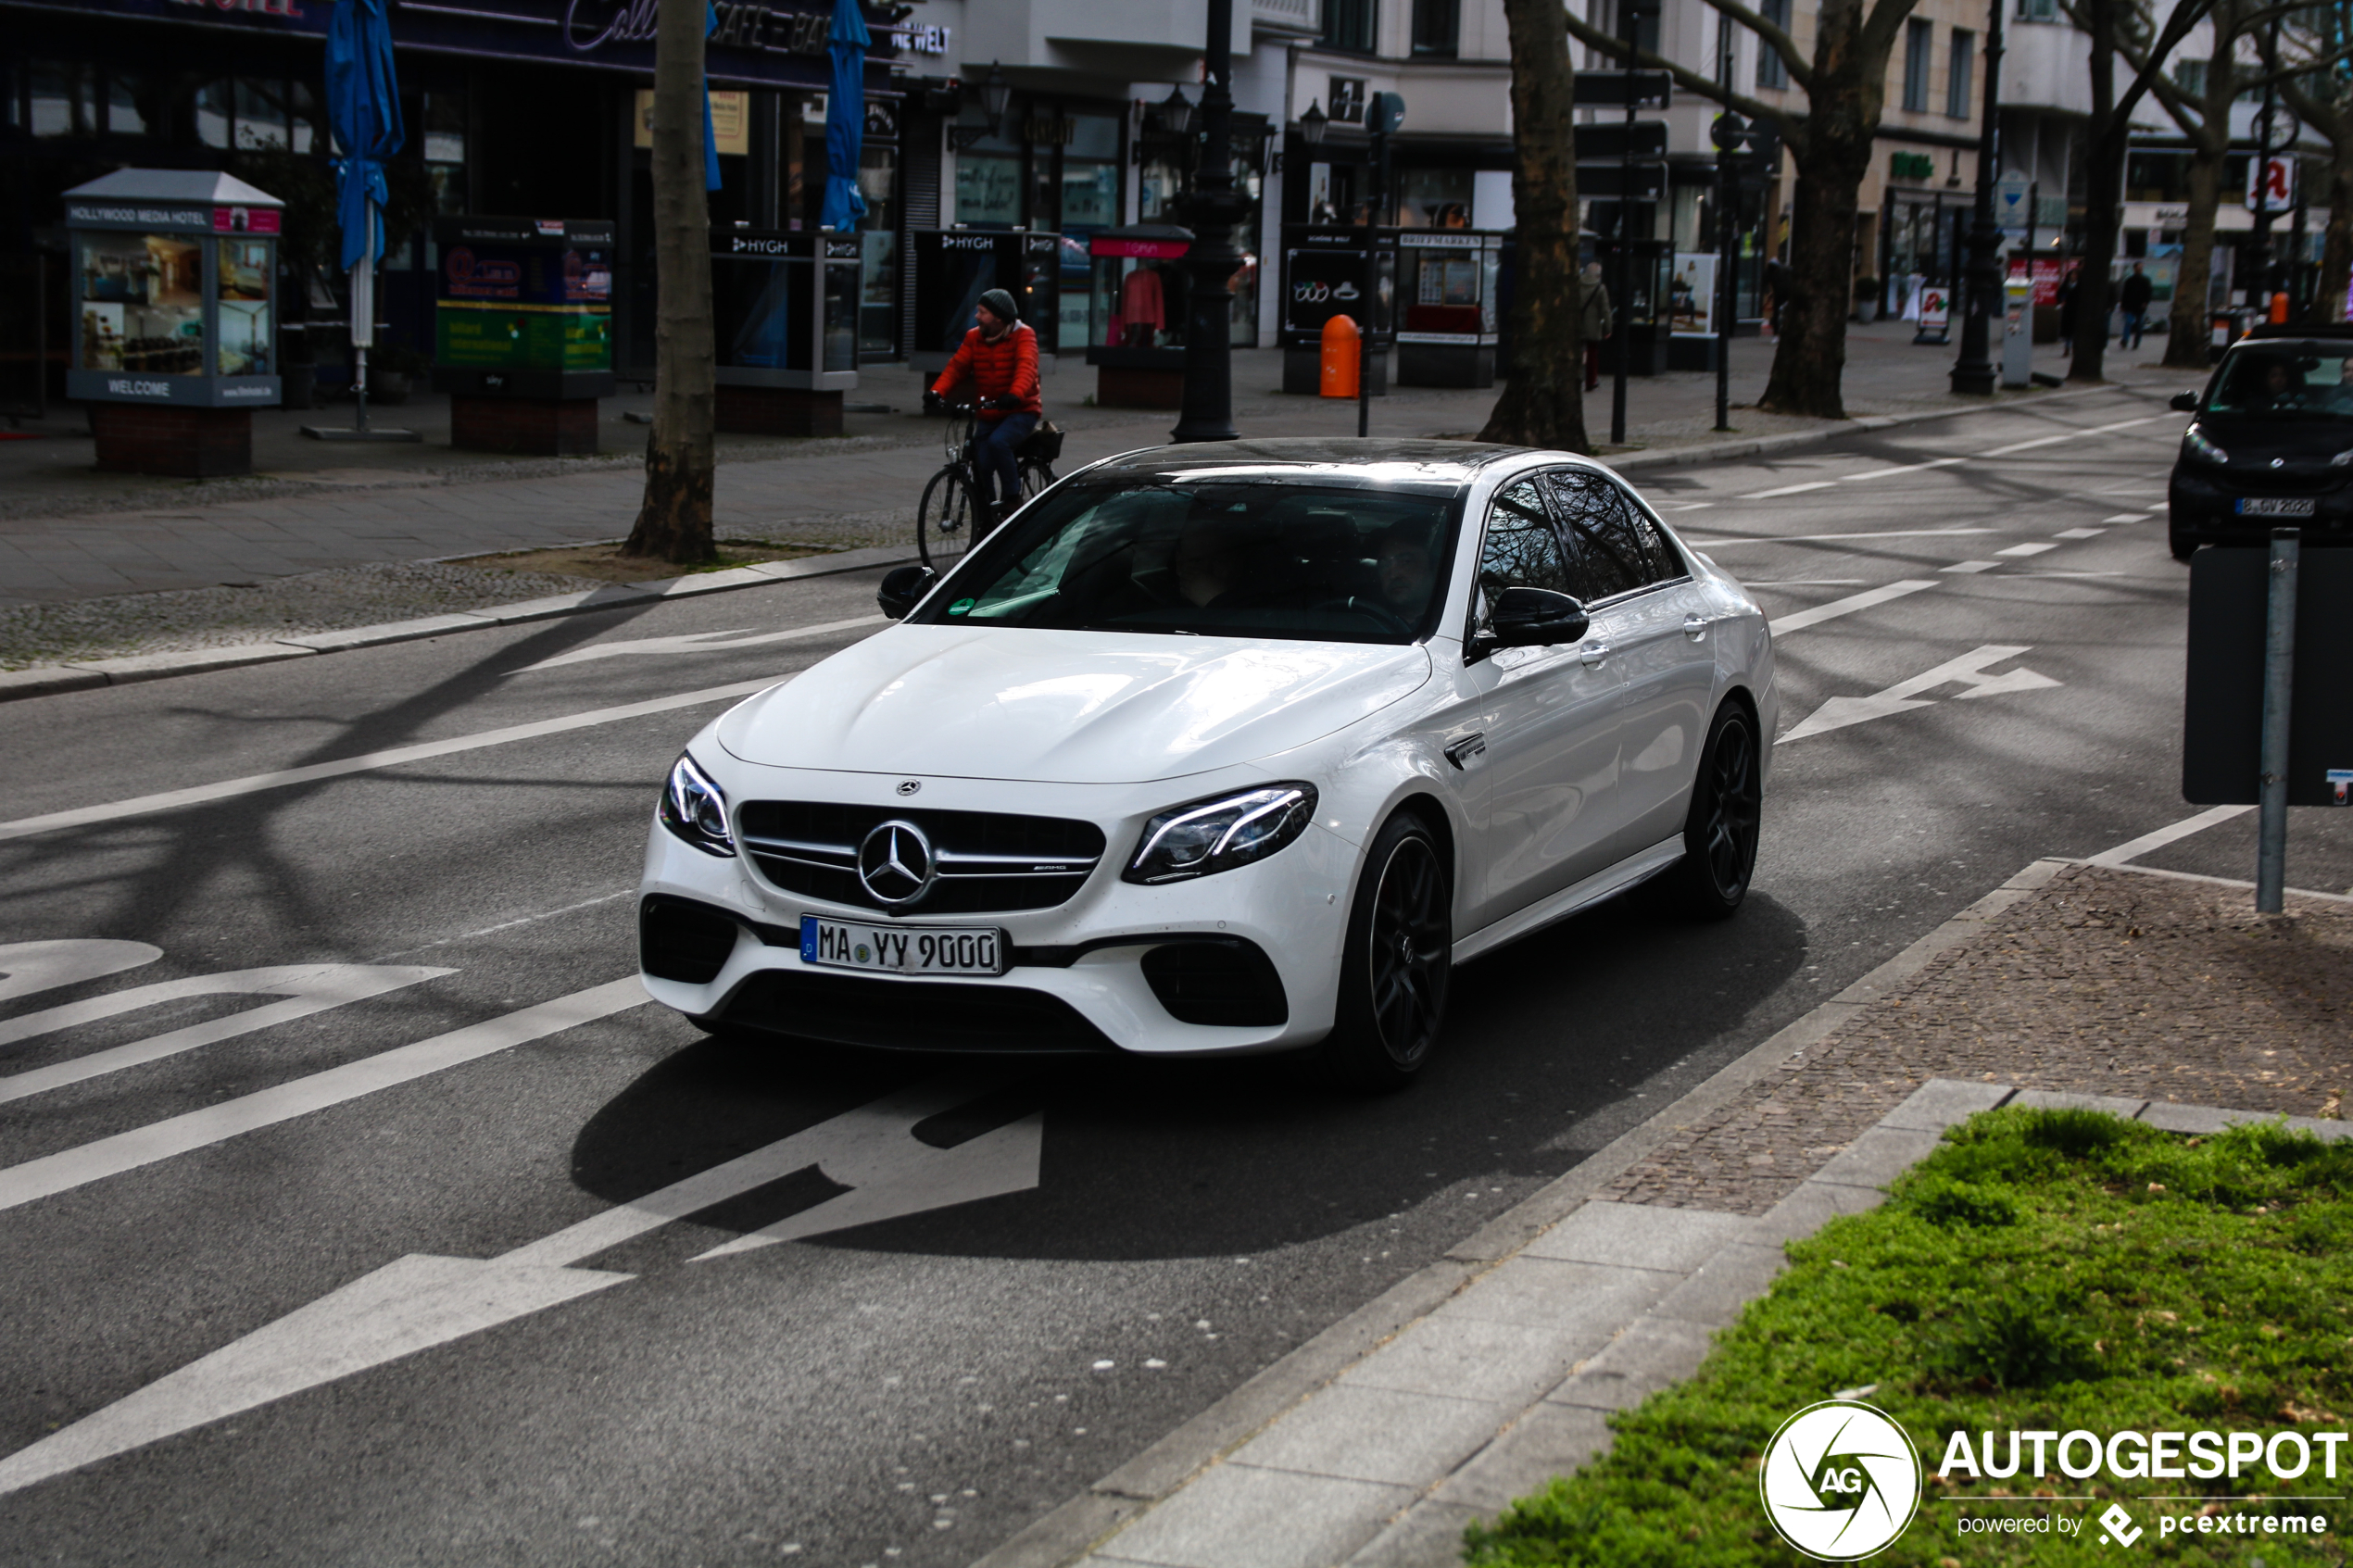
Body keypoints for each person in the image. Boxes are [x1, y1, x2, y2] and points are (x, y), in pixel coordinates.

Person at [926, 288, 1042, 529]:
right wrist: (937, 392)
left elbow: (1026, 367)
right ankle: (987, 518)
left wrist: (1014, 394)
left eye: (983, 312)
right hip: (989, 410)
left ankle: (1012, 498)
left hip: (1020, 410)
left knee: (999, 442)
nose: (977, 317)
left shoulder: (1024, 335)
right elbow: (957, 367)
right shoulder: (974, 337)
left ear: (999, 318)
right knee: (981, 464)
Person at [1374, 523, 1438, 621]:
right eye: (1384, 565)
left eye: (1405, 562)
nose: (1393, 575)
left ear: (1432, 566)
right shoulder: (1366, 621)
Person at [1578, 262, 1613, 393]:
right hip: (1593, 327)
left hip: (1577, 325)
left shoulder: (1577, 284)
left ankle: (1576, 378)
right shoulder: (1600, 289)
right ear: (1598, 275)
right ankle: (1591, 381)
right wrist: (1608, 329)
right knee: (1592, 354)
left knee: (1576, 352)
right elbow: (1605, 310)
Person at [2119, 263, 2155, 351]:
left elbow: (2148, 292)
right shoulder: (2131, 280)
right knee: (2129, 323)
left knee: (2137, 325)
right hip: (2131, 305)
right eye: (2139, 267)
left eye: (2141, 267)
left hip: (2138, 306)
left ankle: (2134, 341)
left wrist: (2146, 302)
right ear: (2134, 268)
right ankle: (2126, 340)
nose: (2140, 269)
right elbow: (2125, 293)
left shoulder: (2143, 280)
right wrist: (2123, 304)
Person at [2056, 264, 2080, 355]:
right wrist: (2061, 301)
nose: (2073, 277)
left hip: (2076, 310)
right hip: (2067, 310)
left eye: (2075, 275)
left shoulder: (2080, 285)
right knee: (2068, 332)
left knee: (2075, 331)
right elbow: (2059, 294)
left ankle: (2074, 347)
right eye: (2072, 275)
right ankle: (2067, 347)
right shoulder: (2065, 285)